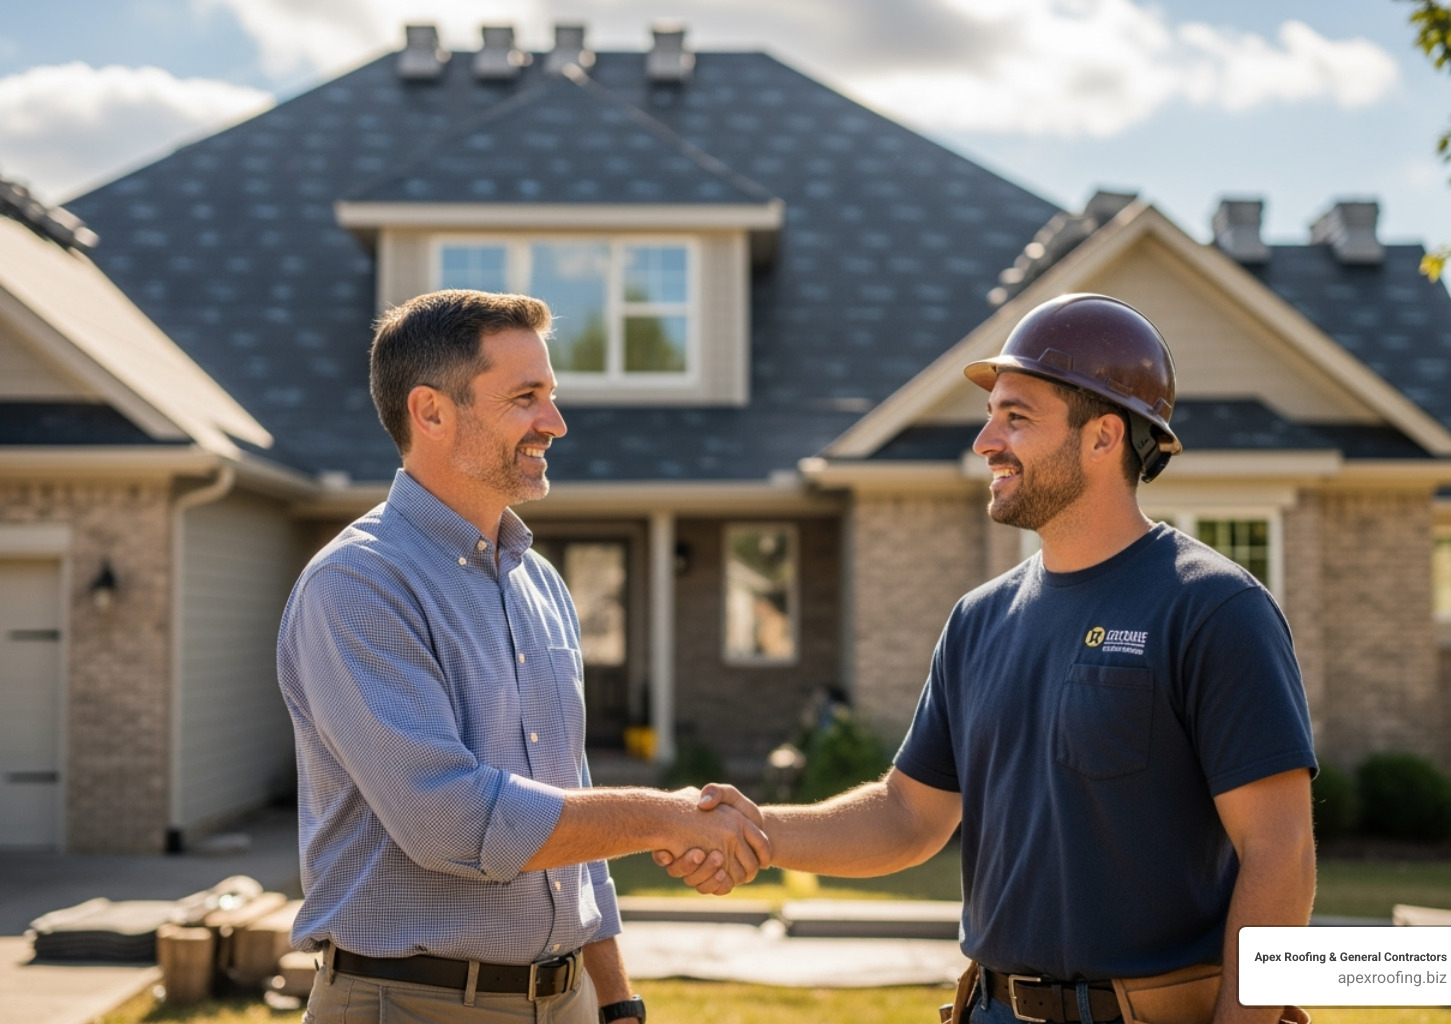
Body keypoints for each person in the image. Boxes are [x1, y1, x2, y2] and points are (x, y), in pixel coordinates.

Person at [662, 293, 1317, 1024]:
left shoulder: (1214, 609)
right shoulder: (978, 621)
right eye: (990, 414)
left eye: (1017, 417)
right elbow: (910, 815)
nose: (985, 442)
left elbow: (1279, 852)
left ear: (1103, 438)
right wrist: (759, 832)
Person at [277, 289, 770, 1024]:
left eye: (552, 395)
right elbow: (450, 822)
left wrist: (616, 998)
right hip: (411, 1005)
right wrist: (666, 818)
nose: (555, 422)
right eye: (526, 397)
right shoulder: (358, 586)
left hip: (565, 999)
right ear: (432, 412)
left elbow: (567, 794)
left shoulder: (537, 582)